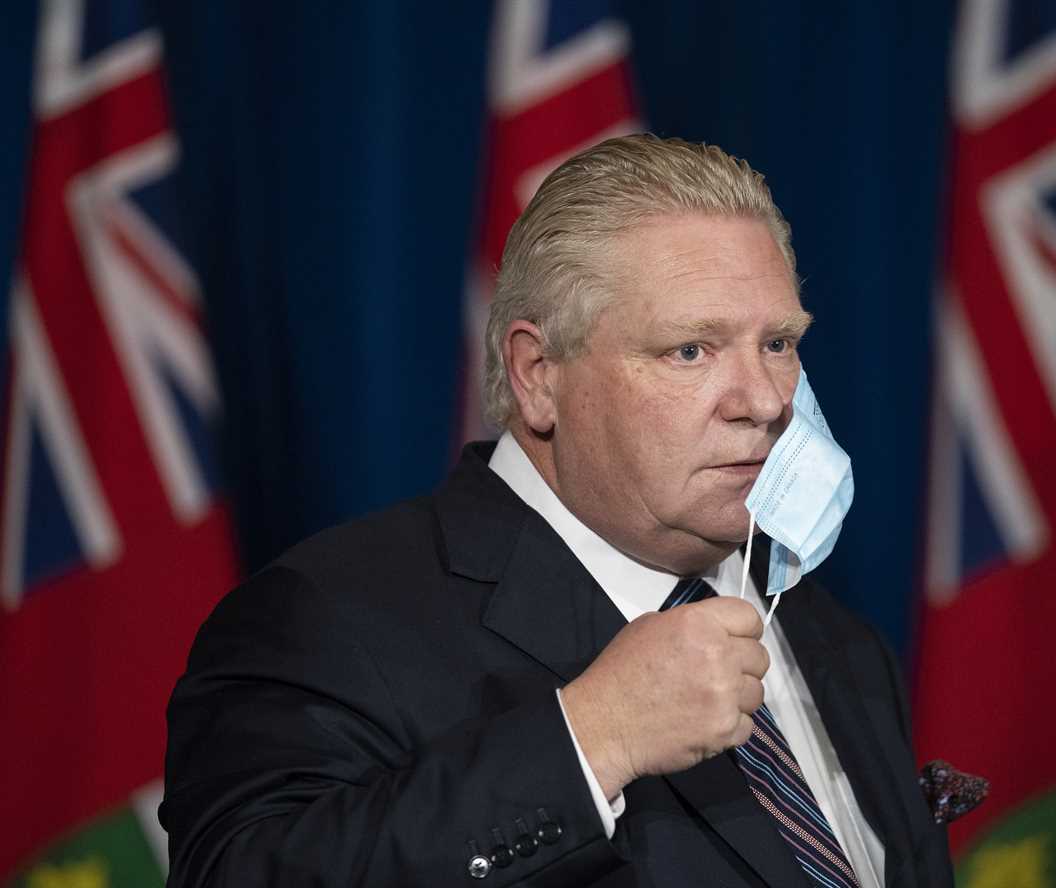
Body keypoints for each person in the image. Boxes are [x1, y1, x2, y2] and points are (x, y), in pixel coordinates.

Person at [161, 134, 954, 887]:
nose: (766, 402)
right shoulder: (329, 621)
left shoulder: (833, 636)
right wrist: (591, 739)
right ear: (538, 374)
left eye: (778, 343)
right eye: (691, 350)